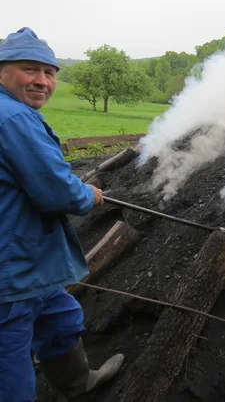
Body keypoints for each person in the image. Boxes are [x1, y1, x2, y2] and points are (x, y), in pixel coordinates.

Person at [0, 28, 124, 401]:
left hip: (31, 260)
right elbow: (55, 190)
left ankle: (78, 384)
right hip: (11, 268)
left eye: (49, 73)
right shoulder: (14, 120)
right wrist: (88, 194)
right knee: (10, 362)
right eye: (29, 70)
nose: (42, 81)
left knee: (61, 319)